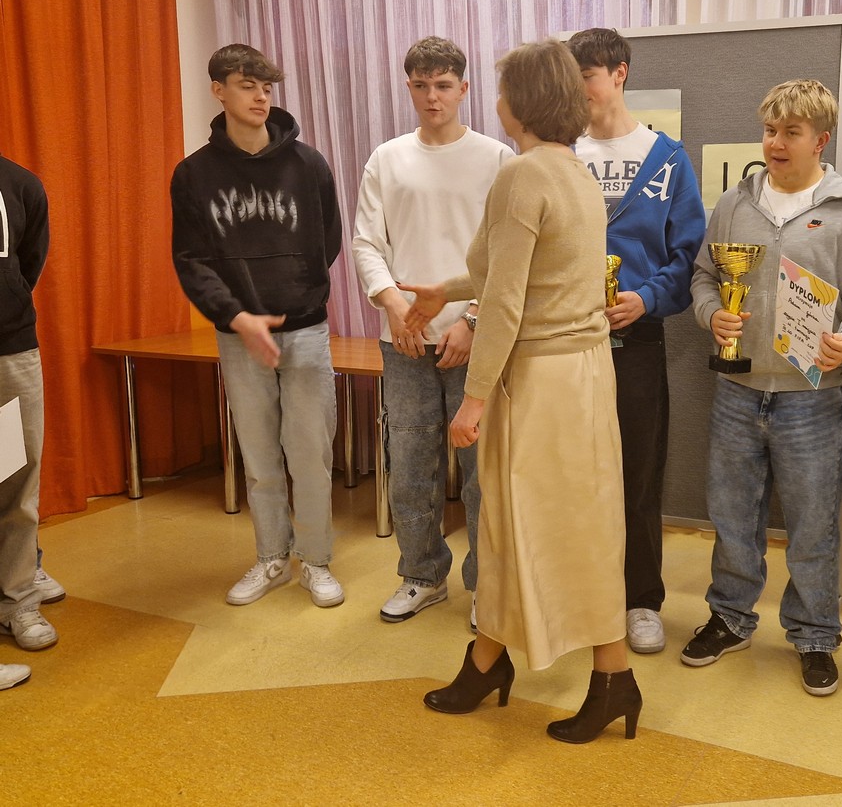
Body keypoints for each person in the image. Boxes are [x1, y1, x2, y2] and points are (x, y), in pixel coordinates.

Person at [401, 39, 639, 744]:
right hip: (585, 374)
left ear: (521, 102)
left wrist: (473, 400)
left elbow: (506, 302)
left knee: (520, 526)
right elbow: (528, 271)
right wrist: (445, 289)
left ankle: (598, 675)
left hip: (539, 381)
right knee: (574, 526)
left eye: (502, 89)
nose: (496, 100)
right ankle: (504, 662)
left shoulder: (521, 175)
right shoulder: (574, 172)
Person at [685, 80, 842, 697]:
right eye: (770, 131)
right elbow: (704, 276)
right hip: (737, 390)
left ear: (820, 140)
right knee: (732, 516)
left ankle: (814, 634)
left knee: (813, 525)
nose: (776, 143)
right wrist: (711, 315)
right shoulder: (735, 202)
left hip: (812, 397)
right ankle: (729, 617)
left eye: (791, 133)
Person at [171, 44, 344, 609]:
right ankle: (272, 556)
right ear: (218, 91)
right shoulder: (193, 174)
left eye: (267, 87)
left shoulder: (309, 165)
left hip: (306, 330)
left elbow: (328, 242)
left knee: (310, 455)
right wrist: (237, 316)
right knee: (260, 456)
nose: (261, 97)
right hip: (238, 334)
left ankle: (315, 560)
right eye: (247, 85)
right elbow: (191, 260)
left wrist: (298, 298)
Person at [352, 37, 513, 627]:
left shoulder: (497, 158)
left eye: (443, 85)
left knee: (481, 474)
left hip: (476, 339)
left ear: (464, 89)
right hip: (405, 341)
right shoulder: (387, 158)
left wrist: (472, 319)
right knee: (411, 466)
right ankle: (421, 575)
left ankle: (486, 585)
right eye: (420, 85)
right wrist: (393, 305)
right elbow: (366, 242)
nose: (431, 97)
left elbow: (507, 254)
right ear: (409, 88)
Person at [566, 28, 705, 655]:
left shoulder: (667, 157)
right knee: (569, 473)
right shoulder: (559, 153)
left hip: (638, 338)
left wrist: (645, 299)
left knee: (638, 473)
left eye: (588, 77)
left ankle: (640, 598)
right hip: (564, 340)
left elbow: (687, 254)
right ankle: (578, 594)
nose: (579, 91)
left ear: (619, 73)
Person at [0, 151, 57, 689]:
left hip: (10, 351)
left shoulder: (19, 184)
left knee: (15, 482)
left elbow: (29, 261)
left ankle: (18, 601)